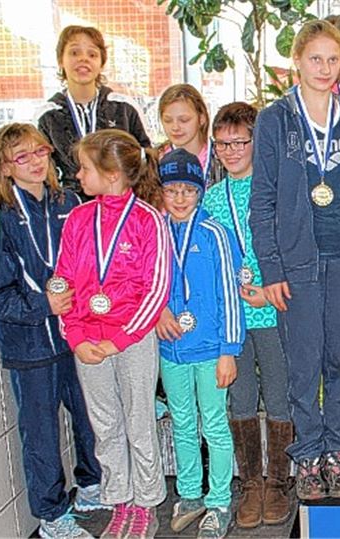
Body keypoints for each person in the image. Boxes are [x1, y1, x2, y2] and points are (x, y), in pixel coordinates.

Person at [249, 20, 340, 501]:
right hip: (298, 267)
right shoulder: (274, 120)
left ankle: (339, 453)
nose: (326, 69)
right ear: (297, 61)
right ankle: (308, 455)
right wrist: (271, 269)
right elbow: (262, 201)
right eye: (316, 59)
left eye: (333, 59)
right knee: (304, 365)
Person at [0, 124, 101, 539]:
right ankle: (52, 515)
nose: (34, 162)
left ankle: (91, 486)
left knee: (89, 417)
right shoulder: (0, 217)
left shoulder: (69, 202)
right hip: (30, 345)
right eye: (22, 156)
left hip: (76, 335)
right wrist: (42, 305)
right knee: (42, 433)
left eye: (40, 151)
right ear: (4, 167)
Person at [54, 129, 170, 539]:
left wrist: (118, 339)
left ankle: (146, 503)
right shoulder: (78, 220)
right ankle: (119, 500)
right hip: (88, 343)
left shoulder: (148, 220)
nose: (78, 176)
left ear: (112, 174)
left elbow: (156, 289)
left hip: (132, 340)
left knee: (139, 422)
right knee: (104, 425)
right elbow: (64, 281)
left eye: (85, 168)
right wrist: (76, 336)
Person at [203, 103, 294, 528]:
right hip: (233, 321)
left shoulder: (276, 189)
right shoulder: (210, 199)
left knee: (279, 395)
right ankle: (251, 484)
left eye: (240, 141)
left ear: (257, 142)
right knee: (240, 399)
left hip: (272, 312)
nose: (232, 150)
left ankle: (278, 482)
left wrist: (270, 294)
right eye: (223, 144)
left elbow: (293, 248)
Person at [156, 149, 243, 538]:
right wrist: (158, 312)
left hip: (210, 350)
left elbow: (230, 296)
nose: (179, 198)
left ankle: (220, 500)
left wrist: (229, 351)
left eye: (188, 190)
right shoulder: (156, 232)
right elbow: (147, 283)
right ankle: (190, 493)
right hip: (171, 349)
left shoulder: (214, 234)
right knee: (182, 423)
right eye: (171, 190)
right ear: (161, 191)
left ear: (200, 191)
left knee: (214, 424)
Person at [37, 26, 150, 196]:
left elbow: (145, 160)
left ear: (101, 63)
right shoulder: (47, 116)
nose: (83, 59)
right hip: (70, 207)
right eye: (74, 53)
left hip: (120, 206)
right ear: (61, 60)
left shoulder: (124, 108)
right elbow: (43, 173)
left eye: (92, 54)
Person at [158, 84, 220, 188]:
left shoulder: (223, 157)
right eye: (167, 120)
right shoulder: (155, 161)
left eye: (184, 120)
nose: (175, 127)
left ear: (202, 118)